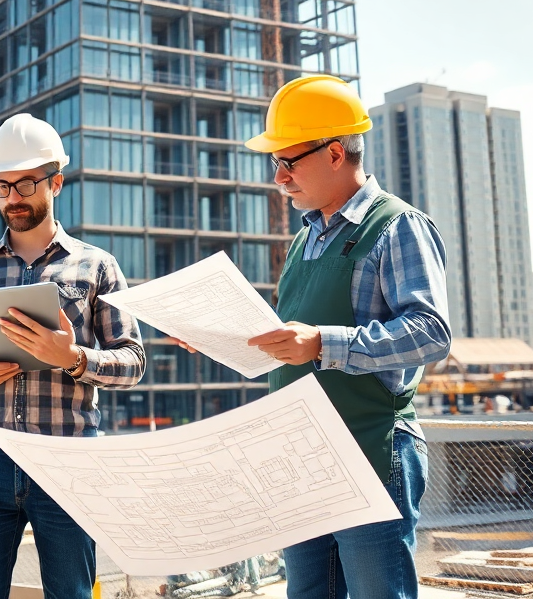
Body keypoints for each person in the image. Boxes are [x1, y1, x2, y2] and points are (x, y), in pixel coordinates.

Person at [176, 76, 451, 599]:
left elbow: (431, 333)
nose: (279, 177)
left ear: (333, 153)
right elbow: (292, 342)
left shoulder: (397, 227)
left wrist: (324, 343)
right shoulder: (307, 237)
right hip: (302, 458)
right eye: (274, 163)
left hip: (372, 451)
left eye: (289, 161)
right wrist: (218, 336)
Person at [0, 113, 146, 599]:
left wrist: (74, 358)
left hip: (68, 459)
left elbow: (132, 360)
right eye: (2, 186)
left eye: (25, 183)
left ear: (57, 182)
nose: (13, 198)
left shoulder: (97, 266)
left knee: (70, 592)